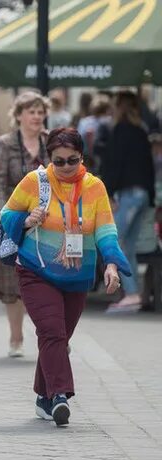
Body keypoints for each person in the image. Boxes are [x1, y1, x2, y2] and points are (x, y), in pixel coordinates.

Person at [0, 127, 130, 426]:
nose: (66, 167)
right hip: (36, 269)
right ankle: (60, 395)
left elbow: (106, 231)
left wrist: (111, 265)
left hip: (76, 275)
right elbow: (7, 215)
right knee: (52, 333)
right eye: (59, 161)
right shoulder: (36, 182)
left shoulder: (95, 187)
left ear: (82, 157)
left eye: (72, 160)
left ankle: (43, 398)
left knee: (57, 337)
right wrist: (27, 218)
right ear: (50, 159)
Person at [0, 91, 50, 358]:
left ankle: (50, 335)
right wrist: (3, 213)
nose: (37, 117)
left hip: (46, 219)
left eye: (40, 112)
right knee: (13, 282)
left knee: (46, 279)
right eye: (31, 111)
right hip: (15, 217)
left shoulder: (50, 141)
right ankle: (16, 336)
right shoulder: (6, 143)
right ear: (19, 115)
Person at [101, 92, 156, 314]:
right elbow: (149, 166)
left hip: (128, 192)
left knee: (115, 240)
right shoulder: (141, 131)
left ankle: (132, 293)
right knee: (128, 245)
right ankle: (134, 294)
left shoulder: (121, 130)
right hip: (142, 193)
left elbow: (114, 164)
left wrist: (109, 193)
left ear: (119, 108)